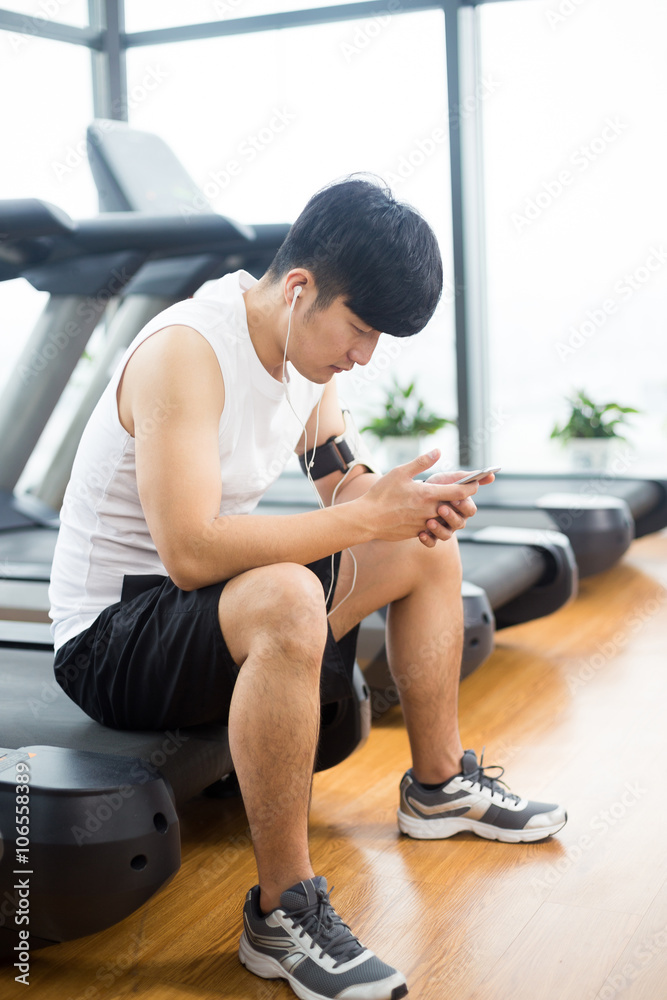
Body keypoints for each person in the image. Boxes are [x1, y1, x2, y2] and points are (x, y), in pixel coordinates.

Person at [49, 176, 566, 1000]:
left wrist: (407, 506)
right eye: (358, 329)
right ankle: (281, 910)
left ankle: (436, 788)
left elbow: (337, 482)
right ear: (300, 289)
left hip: (201, 617)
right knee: (289, 593)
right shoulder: (187, 352)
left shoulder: (304, 356)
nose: (361, 356)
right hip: (112, 640)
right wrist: (367, 523)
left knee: (420, 552)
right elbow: (189, 552)